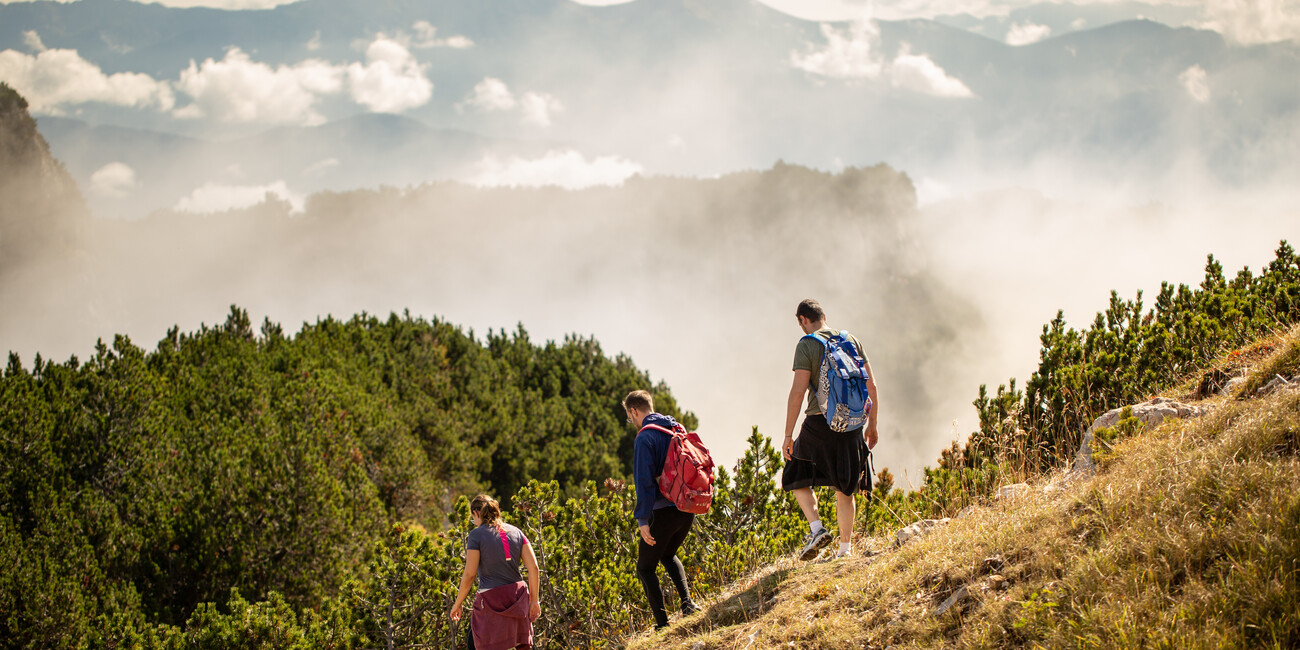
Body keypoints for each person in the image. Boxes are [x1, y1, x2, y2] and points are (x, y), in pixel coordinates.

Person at [782, 298, 879, 560]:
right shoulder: (850, 339)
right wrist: (873, 425)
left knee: (794, 473)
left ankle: (817, 529)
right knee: (845, 488)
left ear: (803, 320)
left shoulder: (807, 344)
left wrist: (789, 435)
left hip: (819, 423)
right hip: (852, 424)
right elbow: (871, 387)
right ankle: (845, 551)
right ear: (823, 316)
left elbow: (798, 391)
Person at [624, 389, 701, 630]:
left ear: (634, 411)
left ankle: (662, 624)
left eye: (629, 417)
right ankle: (687, 604)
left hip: (663, 510)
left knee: (645, 568)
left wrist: (642, 519)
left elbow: (644, 481)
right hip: (687, 507)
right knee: (667, 554)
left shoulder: (644, 437)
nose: (631, 421)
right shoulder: (676, 428)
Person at [450, 494, 541, 650]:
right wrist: (534, 600)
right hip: (517, 598)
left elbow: (469, 574)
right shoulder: (517, 532)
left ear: (476, 513)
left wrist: (457, 604)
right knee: (520, 644)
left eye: (473, 518)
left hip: (491, 601)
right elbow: (534, 568)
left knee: (474, 641)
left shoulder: (476, 535)